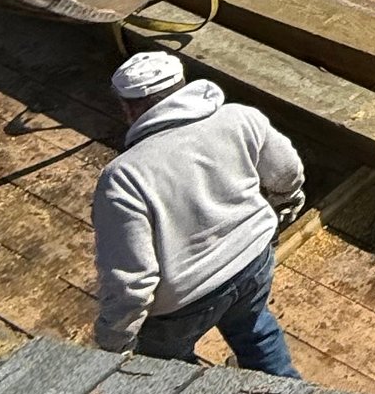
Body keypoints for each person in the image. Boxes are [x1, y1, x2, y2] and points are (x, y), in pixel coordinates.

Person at [91, 50, 306, 373]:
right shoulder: (240, 118)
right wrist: (282, 208)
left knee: (169, 371)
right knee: (255, 331)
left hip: (183, 302)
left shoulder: (123, 176)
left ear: (128, 108)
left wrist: (114, 339)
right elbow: (287, 173)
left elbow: (132, 279)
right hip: (253, 260)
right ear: (182, 85)